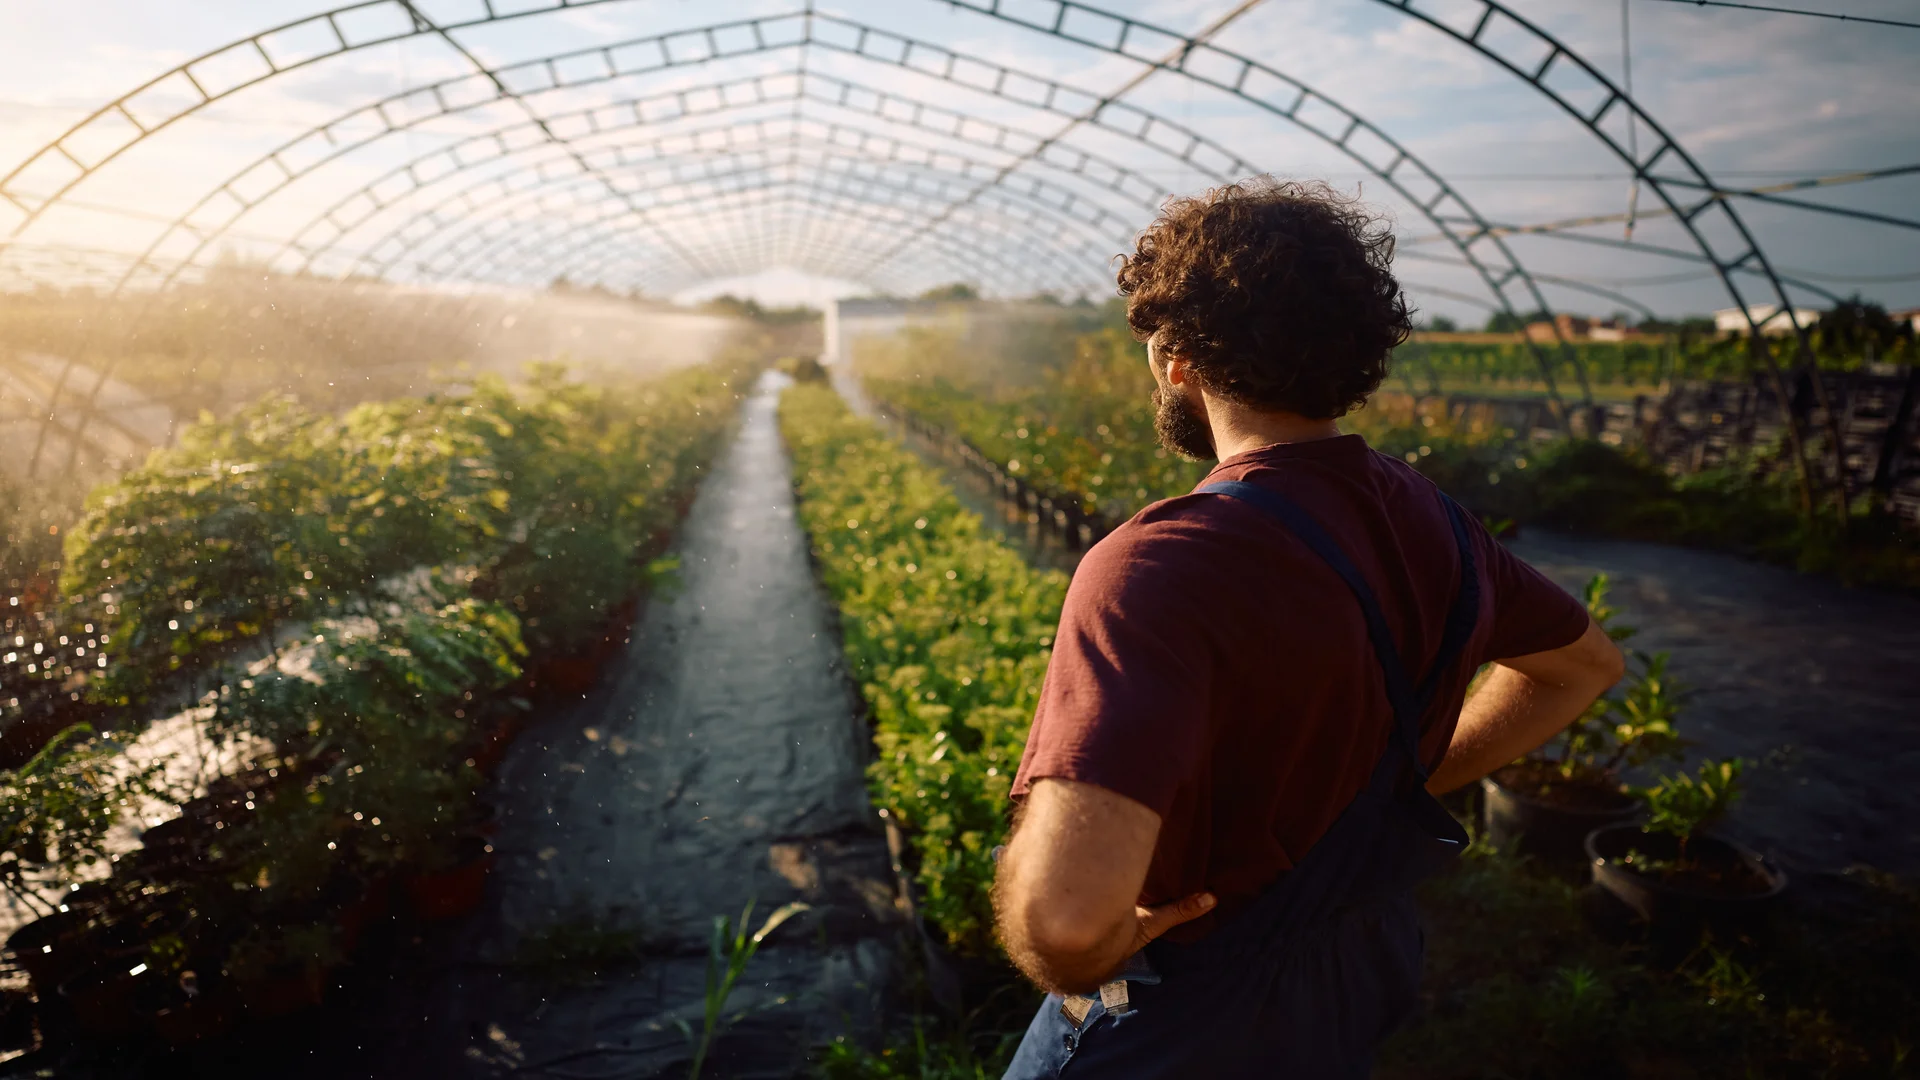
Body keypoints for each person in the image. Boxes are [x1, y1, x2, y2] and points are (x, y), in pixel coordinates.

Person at [992, 178, 1625, 1078]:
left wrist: (1074, 957)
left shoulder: (1156, 567)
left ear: (1177, 358)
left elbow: (1067, 923)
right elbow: (1583, 665)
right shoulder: (1431, 520)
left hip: (1188, 1009)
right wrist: (1402, 776)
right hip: (1356, 962)